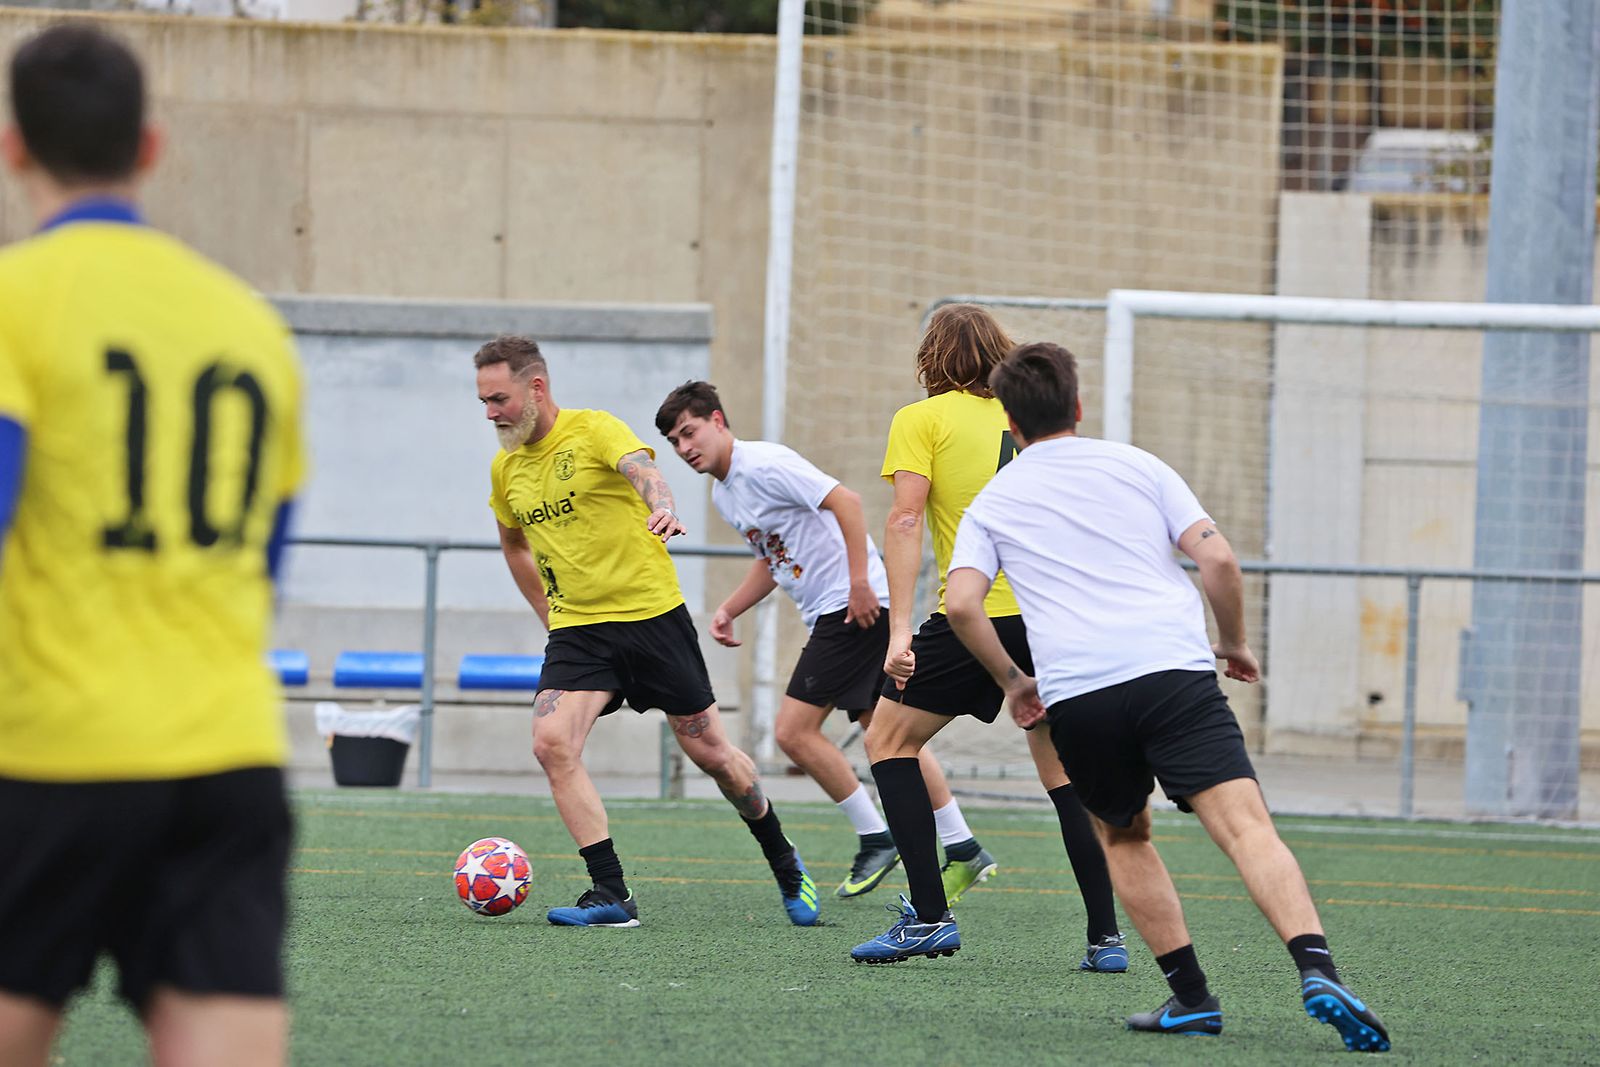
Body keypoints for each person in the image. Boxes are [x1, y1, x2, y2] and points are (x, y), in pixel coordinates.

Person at [0, 24, 307, 1067]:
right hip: (222, 758)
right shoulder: (248, 324)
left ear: (12, 148)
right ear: (150, 148)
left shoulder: (13, 302)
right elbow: (265, 558)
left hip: (45, 754)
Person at [944, 341, 1390, 1051]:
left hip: (1080, 693)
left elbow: (963, 603)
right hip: (1172, 674)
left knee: (1124, 832)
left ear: (1010, 422)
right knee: (1247, 828)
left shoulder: (992, 500)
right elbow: (1216, 557)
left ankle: (1191, 996)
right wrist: (1236, 640)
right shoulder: (1138, 464)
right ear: (1079, 406)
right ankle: (1315, 967)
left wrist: (1014, 682)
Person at [477, 337, 818, 928]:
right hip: (581, 631)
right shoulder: (505, 468)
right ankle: (611, 894)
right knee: (551, 742)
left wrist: (661, 505)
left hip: (651, 619)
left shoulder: (594, 430)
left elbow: (645, 473)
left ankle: (786, 863)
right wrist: (548, 614)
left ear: (536, 387)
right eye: (482, 401)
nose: (490, 413)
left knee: (714, 756)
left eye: (499, 398)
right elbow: (514, 546)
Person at [850, 304, 1122, 968]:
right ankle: (1105, 938)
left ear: (930, 359)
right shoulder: (1025, 420)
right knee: (1065, 775)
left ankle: (929, 918)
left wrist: (898, 631)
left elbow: (906, 520)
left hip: (979, 615)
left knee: (888, 739)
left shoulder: (922, 419)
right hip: (1055, 617)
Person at [656, 380, 991, 899]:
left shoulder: (764, 464)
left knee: (793, 731)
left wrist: (860, 582)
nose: (684, 449)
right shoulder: (726, 492)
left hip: (851, 608)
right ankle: (963, 845)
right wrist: (729, 609)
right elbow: (773, 560)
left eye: (690, 432)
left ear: (718, 422)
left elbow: (847, 502)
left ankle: (876, 837)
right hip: (836, 612)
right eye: (675, 443)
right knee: (887, 732)